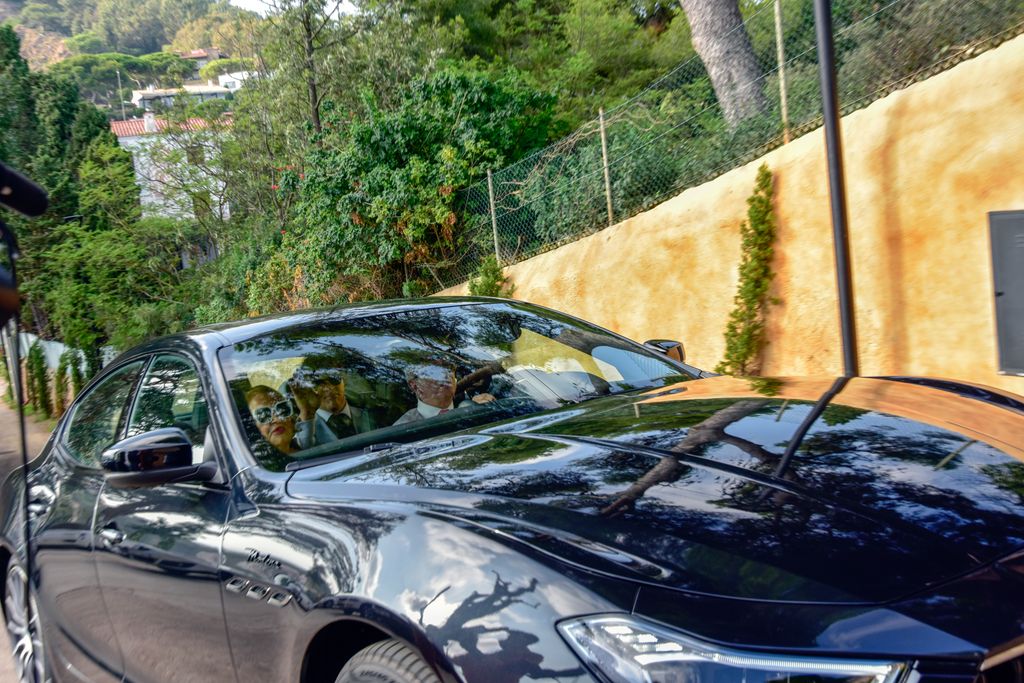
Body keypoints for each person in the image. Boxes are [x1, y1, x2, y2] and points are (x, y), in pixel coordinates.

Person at [290, 367, 372, 449]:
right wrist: (307, 413)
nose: (328, 388)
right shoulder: (306, 429)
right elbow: (303, 450)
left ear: (344, 381)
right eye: (318, 383)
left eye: (334, 378)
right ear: (307, 391)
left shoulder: (371, 411)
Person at [393, 362, 495, 425]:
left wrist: (482, 410)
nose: (445, 375)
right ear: (414, 386)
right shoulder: (402, 428)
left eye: (449, 369)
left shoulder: (473, 406)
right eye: (433, 371)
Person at [246, 385, 300, 456]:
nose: (277, 419)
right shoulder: (260, 466)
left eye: (282, 409)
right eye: (264, 414)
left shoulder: (310, 452)